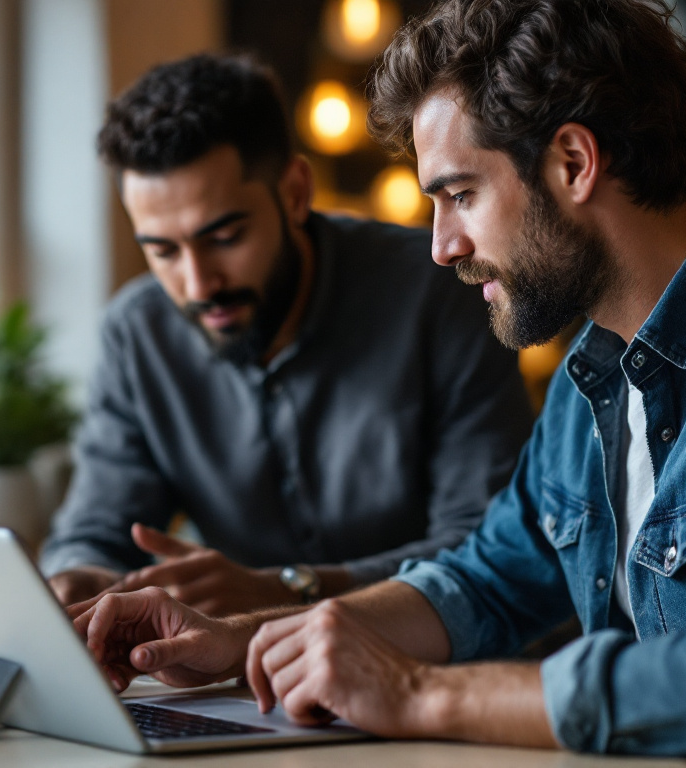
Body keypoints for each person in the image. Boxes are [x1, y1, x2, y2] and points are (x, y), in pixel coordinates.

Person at [70, 1, 686, 764]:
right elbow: (483, 582)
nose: (442, 245)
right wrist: (253, 644)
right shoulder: (595, 365)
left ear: (572, 161)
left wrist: (417, 695)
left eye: (458, 195)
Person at [40, 53, 534, 617]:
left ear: (296, 191)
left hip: (440, 669)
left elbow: (487, 544)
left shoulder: (441, 293)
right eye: (163, 251)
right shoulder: (137, 335)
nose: (199, 283)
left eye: (225, 236)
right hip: (244, 685)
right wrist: (79, 581)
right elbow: (95, 531)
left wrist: (291, 589)